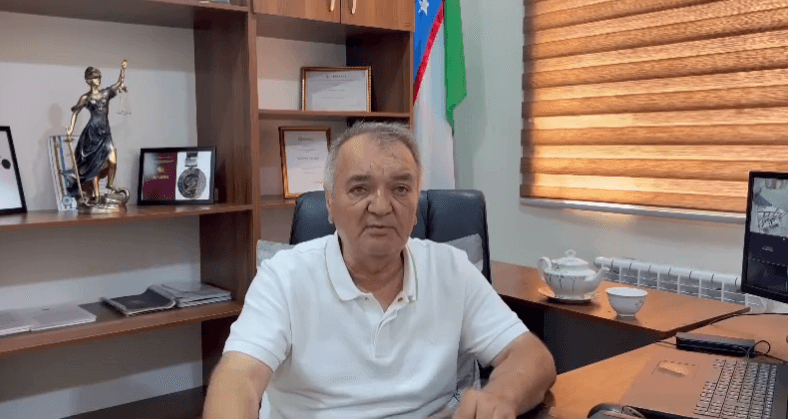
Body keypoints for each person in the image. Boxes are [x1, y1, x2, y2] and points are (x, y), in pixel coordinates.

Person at [203, 122, 556, 419]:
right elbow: (238, 378)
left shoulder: (450, 268)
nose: (382, 206)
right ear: (329, 203)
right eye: (360, 188)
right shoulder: (284, 276)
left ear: (415, 205)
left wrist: (500, 396)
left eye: (400, 189)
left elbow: (531, 356)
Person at [66, 61, 127, 203]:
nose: (98, 79)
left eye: (99, 77)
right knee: (94, 165)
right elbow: (76, 112)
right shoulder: (85, 98)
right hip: (92, 134)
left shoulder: (105, 93)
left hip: (105, 133)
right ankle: (97, 195)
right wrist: (71, 128)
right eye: (94, 77)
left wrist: (123, 70)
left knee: (112, 160)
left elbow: (119, 84)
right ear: (88, 80)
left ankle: (110, 184)